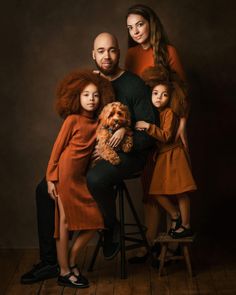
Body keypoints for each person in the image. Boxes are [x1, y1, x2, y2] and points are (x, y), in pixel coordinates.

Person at [21, 32, 155, 284]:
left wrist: (125, 132)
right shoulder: (93, 85)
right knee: (43, 188)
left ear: (119, 53)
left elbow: (148, 134)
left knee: (95, 178)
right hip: (86, 157)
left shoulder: (133, 84)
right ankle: (52, 262)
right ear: (93, 55)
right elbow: (79, 129)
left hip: (127, 154)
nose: (107, 56)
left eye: (112, 50)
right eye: (101, 51)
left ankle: (110, 226)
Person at [125, 4, 189, 262]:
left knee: (172, 184)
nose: (135, 31)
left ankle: (175, 241)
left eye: (139, 24)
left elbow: (182, 92)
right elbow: (126, 89)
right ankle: (150, 243)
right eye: (130, 27)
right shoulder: (130, 55)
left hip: (167, 126)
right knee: (149, 187)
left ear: (151, 23)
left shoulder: (168, 51)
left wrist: (183, 126)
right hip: (143, 128)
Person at [135, 66, 197, 239]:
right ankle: (176, 215)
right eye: (155, 93)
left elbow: (167, 136)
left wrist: (148, 127)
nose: (159, 98)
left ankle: (186, 225)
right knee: (156, 191)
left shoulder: (169, 112)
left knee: (181, 191)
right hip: (164, 155)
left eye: (164, 94)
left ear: (170, 98)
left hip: (175, 155)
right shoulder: (158, 113)